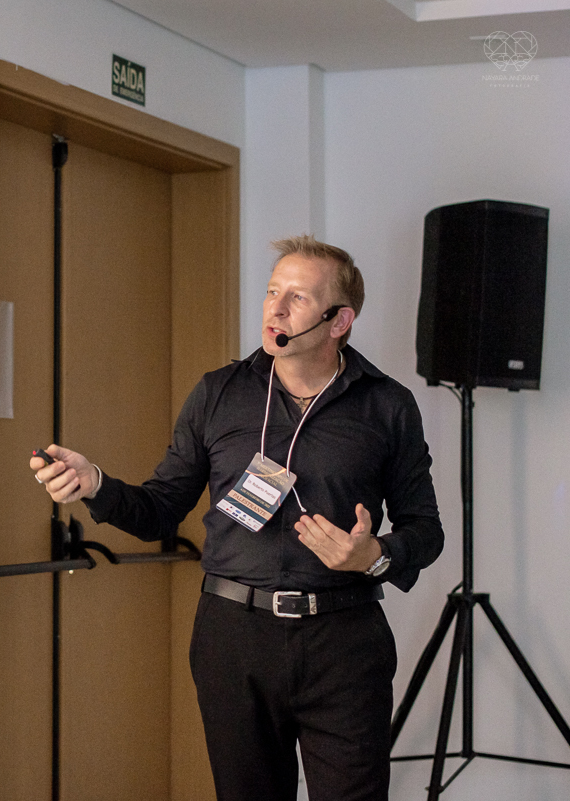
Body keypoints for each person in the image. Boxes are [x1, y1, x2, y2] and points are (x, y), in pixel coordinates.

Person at [30, 235, 443, 801]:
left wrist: (374, 555)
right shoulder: (218, 394)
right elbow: (160, 510)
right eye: (273, 291)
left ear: (339, 321)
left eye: (298, 297)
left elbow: (426, 530)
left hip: (345, 642)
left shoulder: (387, 405)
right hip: (233, 637)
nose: (276, 308)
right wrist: (96, 484)